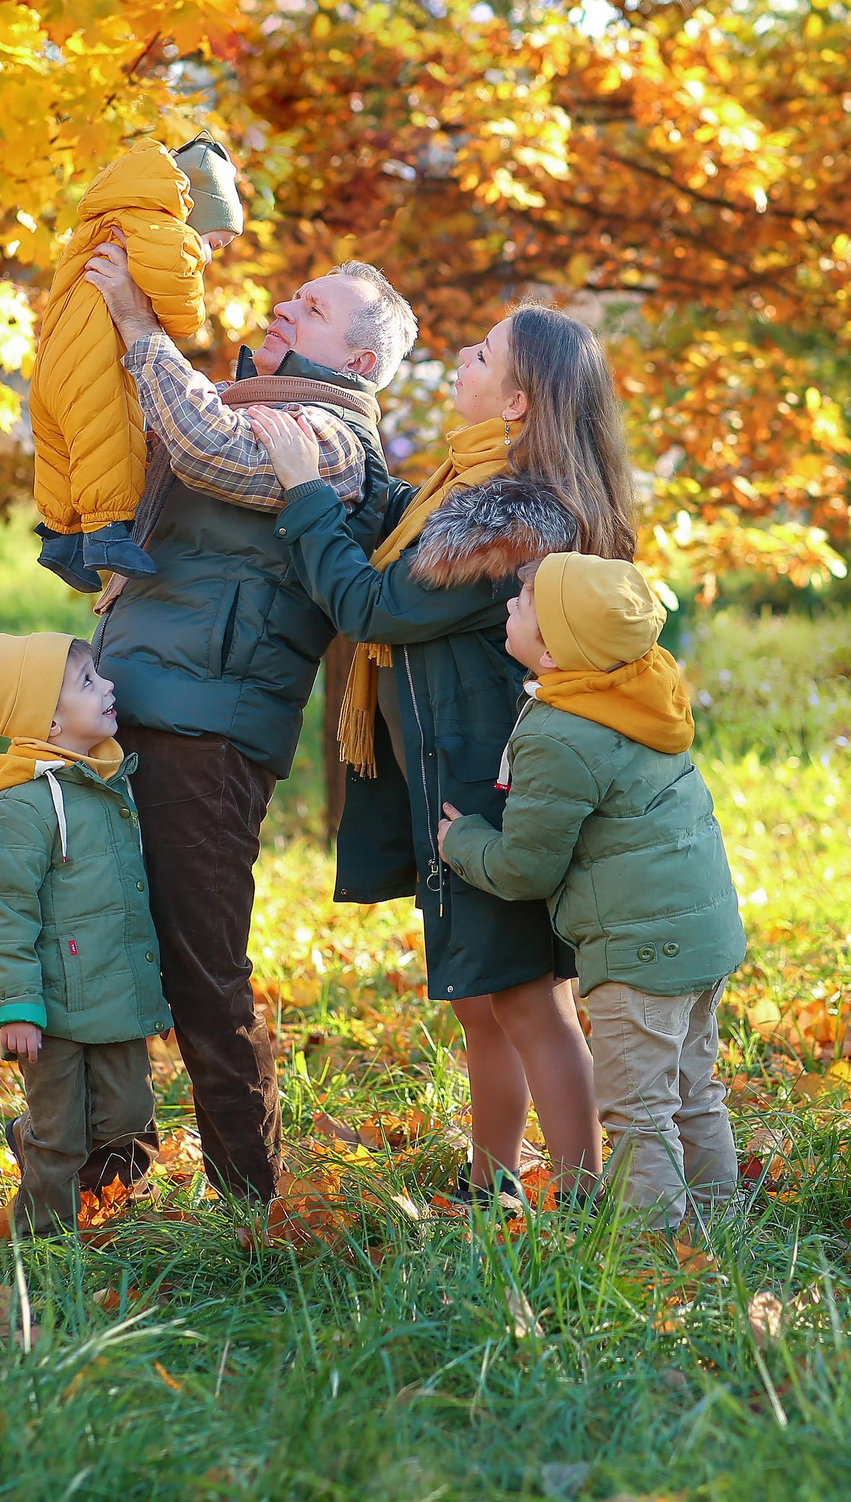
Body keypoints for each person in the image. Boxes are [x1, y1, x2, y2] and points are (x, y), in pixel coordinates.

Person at [246, 305, 634, 1204]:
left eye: (482, 353)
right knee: (484, 999)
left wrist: (305, 490)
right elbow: (392, 567)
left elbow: (373, 607)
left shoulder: (509, 525)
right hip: (459, 780)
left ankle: (579, 1203)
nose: (463, 356)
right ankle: (490, 1180)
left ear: (519, 404)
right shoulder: (464, 494)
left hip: (491, 790)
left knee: (530, 1000)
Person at [75, 239, 416, 1204]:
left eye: (310, 310)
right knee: (100, 951)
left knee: (201, 970)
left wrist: (144, 325)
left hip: (207, 734)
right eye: (292, 295)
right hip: (120, 706)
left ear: (355, 360)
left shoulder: (333, 440)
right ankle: (104, 1173)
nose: (282, 308)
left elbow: (211, 455)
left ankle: (251, 1200)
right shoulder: (240, 402)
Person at [436, 553, 747, 1230]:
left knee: (639, 1109)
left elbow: (524, 868)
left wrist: (461, 843)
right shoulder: (642, 692)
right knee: (695, 1091)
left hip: (639, 952)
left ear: (553, 651)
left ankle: (652, 1252)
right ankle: (721, 1229)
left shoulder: (559, 731)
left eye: (523, 601)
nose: (509, 606)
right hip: (703, 934)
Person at [0, 632, 170, 1236]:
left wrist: (154, 991)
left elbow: (130, 902)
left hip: (116, 999)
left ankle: (95, 1204)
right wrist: (17, 1007)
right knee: (60, 1136)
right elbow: (5, 911)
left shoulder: (110, 785)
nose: (109, 687)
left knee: (131, 1124)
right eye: (89, 683)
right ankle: (42, 1242)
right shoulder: (18, 807)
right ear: (48, 716)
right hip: (51, 1009)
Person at [29, 136, 246, 591]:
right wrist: (193, 255)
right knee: (109, 443)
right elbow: (184, 316)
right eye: (216, 241)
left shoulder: (105, 216)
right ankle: (108, 533)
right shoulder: (163, 230)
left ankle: (60, 538)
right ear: (197, 212)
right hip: (96, 364)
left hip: (54, 358)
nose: (211, 253)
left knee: (61, 449)